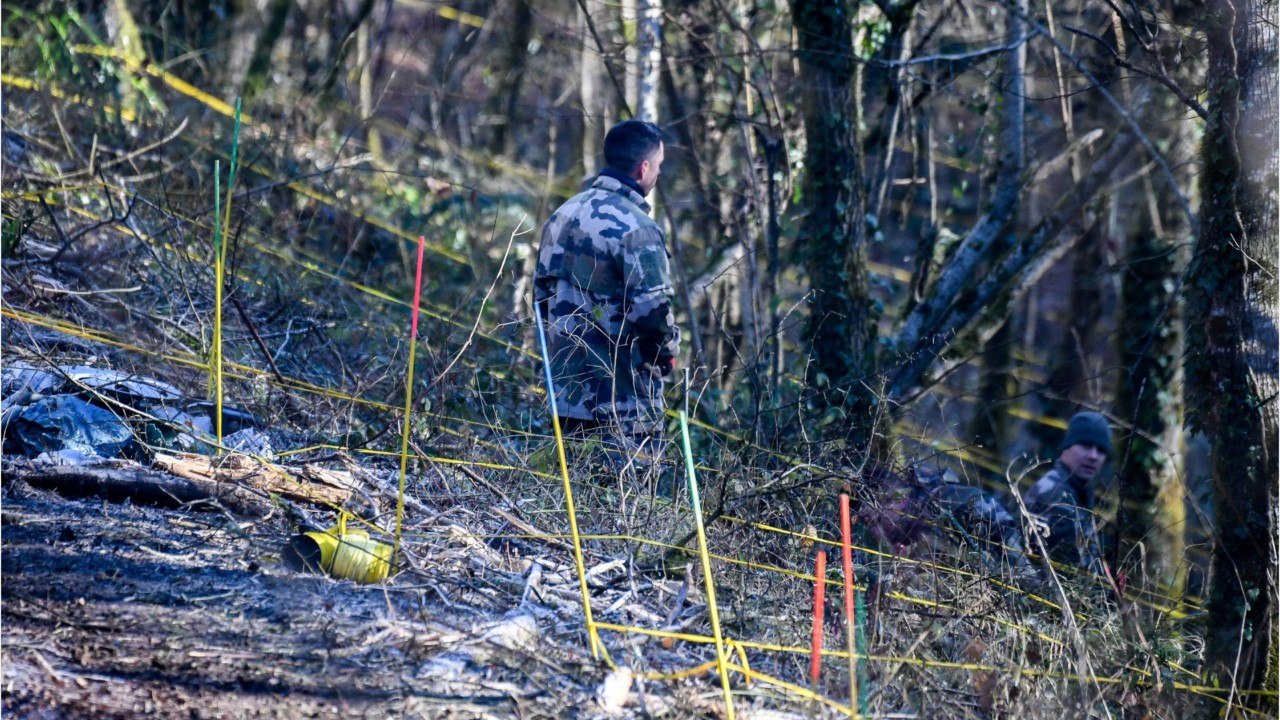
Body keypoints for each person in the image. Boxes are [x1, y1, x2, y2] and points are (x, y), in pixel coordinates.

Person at [533, 120, 680, 456]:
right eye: (658, 165)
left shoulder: (561, 216)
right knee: (631, 488)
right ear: (644, 168)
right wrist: (669, 352)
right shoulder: (639, 229)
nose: (659, 173)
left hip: (565, 396)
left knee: (570, 486)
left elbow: (540, 302)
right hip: (624, 403)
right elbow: (653, 315)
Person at [1024, 411, 1111, 572]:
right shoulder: (1056, 495)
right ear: (1067, 447)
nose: (1093, 456)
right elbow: (1065, 574)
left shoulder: (1077, 492)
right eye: (1086, 445)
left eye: (1101, 450)